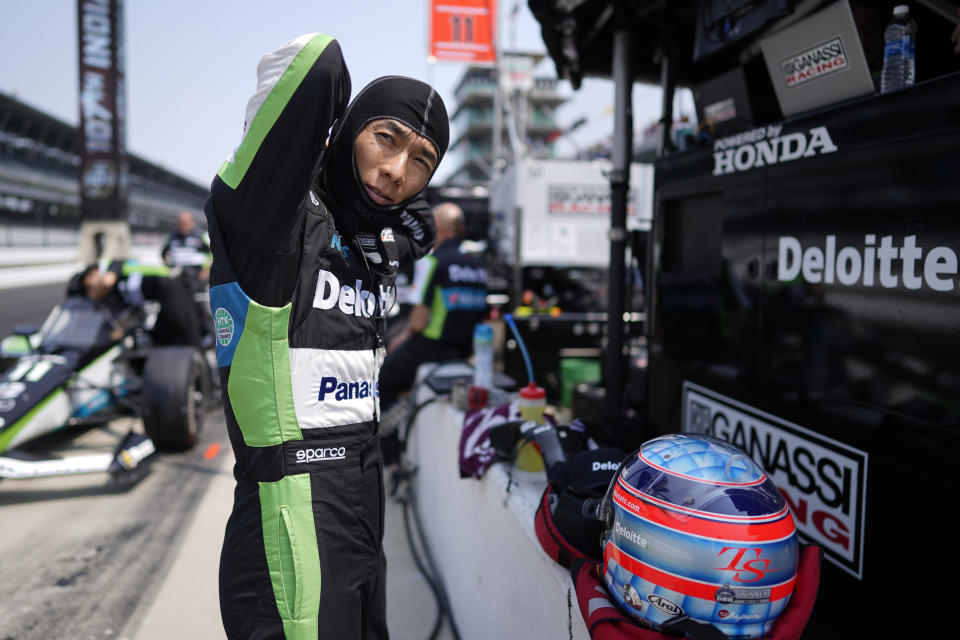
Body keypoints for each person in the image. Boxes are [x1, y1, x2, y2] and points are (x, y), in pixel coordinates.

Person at [204, 33, 447, 640]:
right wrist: (330, 142)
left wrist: (385, 229)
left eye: (421, 160)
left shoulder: (372, 238)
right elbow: (318, 62)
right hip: (292, 507)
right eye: (384, 138)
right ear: (347, 131)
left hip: (364, 500)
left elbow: (423, 224)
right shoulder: (279, 224)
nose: (396, 172)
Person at [378, 202, 489, 411]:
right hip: (465, 352)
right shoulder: (478, 265)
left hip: (432, 348)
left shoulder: (432, 262)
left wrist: (401, 339)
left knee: (378, 382)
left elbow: (418, 322)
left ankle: (390, 440)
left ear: (435, 225)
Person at [72, 260, 201, 349]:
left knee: (184, 333)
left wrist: (95, 295)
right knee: (158, 338)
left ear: (95, 272)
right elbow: (130, 313)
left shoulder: (112, 266)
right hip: (165, 297)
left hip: (172, 285)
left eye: (89, 287)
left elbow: (106, 282)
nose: (91, 292)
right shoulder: (115, 297)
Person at [161, 210, 211, 283]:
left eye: (186, 222)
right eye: (181, 223)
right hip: (177, 274)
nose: (183, 225)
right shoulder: (172, 237)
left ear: (192, 222)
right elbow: (163, 254)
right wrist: (169, 268)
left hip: (198, 274)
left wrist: (207, 270)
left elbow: (214, 254)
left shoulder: (202, 235)